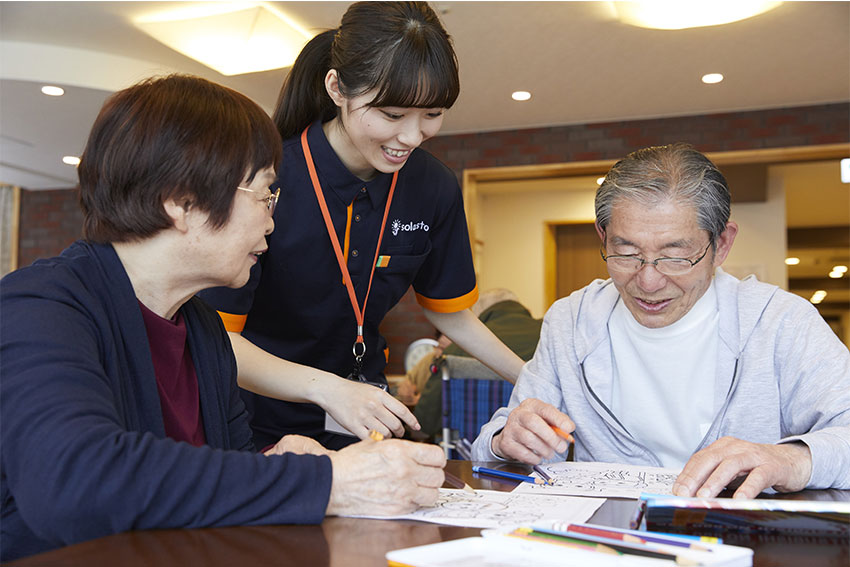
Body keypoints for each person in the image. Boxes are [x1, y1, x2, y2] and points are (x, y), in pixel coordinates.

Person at [0, 74, 446, 562]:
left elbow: (215, 475)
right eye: (265, 195)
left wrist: (272, 461)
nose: (272, 222)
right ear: (182, 202)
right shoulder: (41, 307)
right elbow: (74, 484)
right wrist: (325, 481)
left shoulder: (202, 328)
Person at [199, 1, 524, 450]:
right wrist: (328, 389)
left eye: (432, 114)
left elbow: (449, 310)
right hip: (256, 422)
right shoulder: (267, 181)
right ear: (337, 88)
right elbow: (216, 339)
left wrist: (533, 379)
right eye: (392, 114)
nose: (411, 137)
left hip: (364, 420)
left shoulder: (433, 187)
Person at [472, 143, 850, 498]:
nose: (648, 281)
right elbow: (497, 444)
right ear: (603, 238)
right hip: (609, 534)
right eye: (626, 252)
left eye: (675, 256)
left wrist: (791, 459)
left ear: (721, 244)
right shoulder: (571, 321)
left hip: (742, 535)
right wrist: (505, 440)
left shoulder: (780, 322)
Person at [399, 289, 543, 439]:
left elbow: (425, 421)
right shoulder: (546, 337)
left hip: (465, 446)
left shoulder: (457, 349)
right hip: (535, 439)